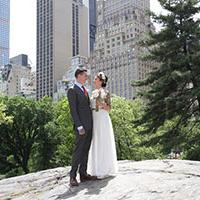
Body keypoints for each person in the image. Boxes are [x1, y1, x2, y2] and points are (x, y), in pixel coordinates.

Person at [67, 67, 97, 187]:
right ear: (78, 76)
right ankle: (72, 177)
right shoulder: (72, 90)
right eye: (85, 75)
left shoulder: (84, 89)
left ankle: (83, 174)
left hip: (89, 125)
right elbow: (73, 111)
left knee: (86, 150)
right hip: (81, 127)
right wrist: (79, 126)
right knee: (78, 151)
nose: (86, 77)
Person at [88, 72, 118, 178]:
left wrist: (100, 104)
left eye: (96, 78)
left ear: (101, 81)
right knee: (95, 140)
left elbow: (109, 109)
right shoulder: (92, 93)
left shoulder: (106, 93)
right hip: (94, 118)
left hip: (102, 118)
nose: (94, 80)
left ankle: (104, 169)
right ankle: (95, 169)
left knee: (103, 140)